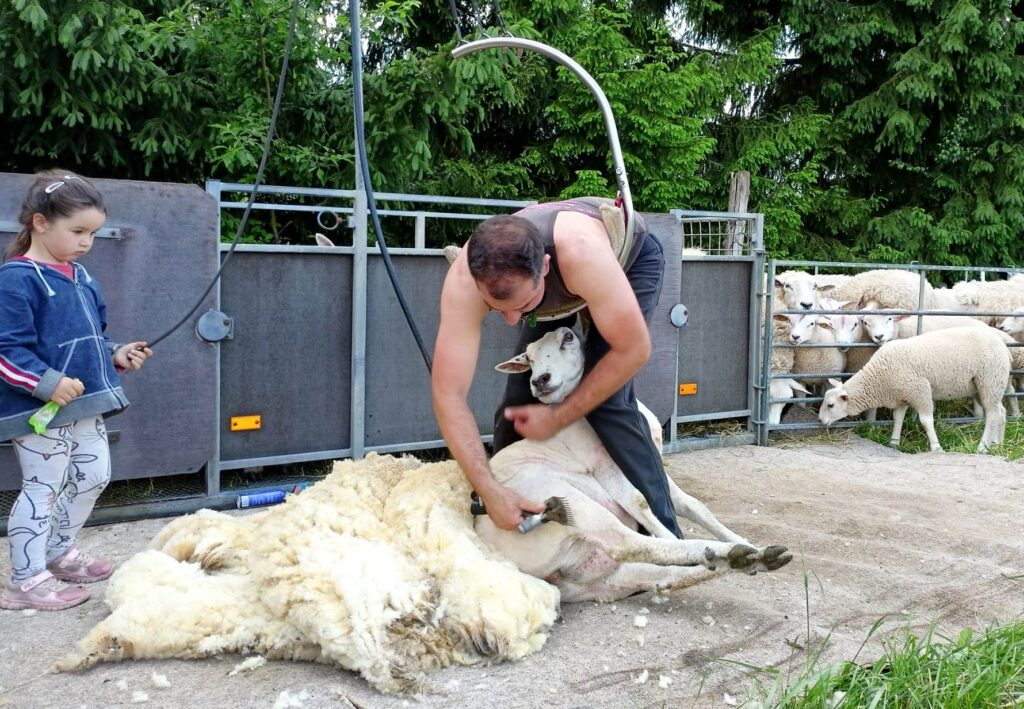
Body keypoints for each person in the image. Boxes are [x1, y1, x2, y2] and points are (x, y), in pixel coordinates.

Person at [432, 197, 681, 537]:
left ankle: (668, 537)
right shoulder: (464, 282)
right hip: (548, 291)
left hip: (625, 259)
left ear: (545, 267)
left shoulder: (581, 253)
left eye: (519, 306)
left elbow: (633, 351)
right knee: (517, 401)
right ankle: (503, 501)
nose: (510, 321)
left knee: (609, 405)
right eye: (495, 308)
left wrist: (558, 417)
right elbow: (448, 395)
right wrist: (490, 490)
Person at [0, 170, 153, 611]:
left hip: (85, 404)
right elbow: (7, 348)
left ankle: (56, 552)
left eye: (94, 233)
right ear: (40, 223)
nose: (87, 241)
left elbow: (88, 339)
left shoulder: (81, 276)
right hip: (39, 410)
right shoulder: (16, 278)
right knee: (42, 487)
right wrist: (47, 383)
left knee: (94, 476)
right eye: (78, 231)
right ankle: (24, 581)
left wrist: (116, 353)